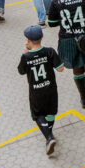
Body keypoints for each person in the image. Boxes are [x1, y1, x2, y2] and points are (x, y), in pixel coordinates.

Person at [17, 24, 63, 155]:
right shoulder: (49, 51)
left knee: (38, 115)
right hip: (51, 89)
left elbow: (21, 71)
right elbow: (60, 68)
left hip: (36, 92)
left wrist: (25, 53)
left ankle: (49, 137)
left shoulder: (26, 57)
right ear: (42, 37)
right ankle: (50, 132)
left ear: (28, 40)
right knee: (50, 112)